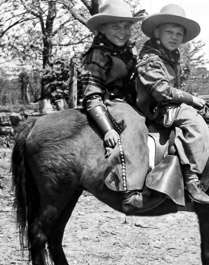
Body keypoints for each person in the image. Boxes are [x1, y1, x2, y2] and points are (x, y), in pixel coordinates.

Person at [135, 4, 209, 204]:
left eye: (179, 34)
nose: (174, 37)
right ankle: (192, 178)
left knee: (207, 115)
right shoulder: (149, 58)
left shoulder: (170, 57)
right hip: (156, 108)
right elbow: (161, 91)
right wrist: (191, 99)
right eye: (169, 32)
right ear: (157, 32)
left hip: (169, 105)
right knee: (195, 123)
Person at [80, 0, 149, 212]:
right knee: (134, 124)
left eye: (127, 27)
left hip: (130, 100)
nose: (123, 32)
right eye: (115, 27)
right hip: (111, 102)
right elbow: (91, 95)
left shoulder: (127, 51)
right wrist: (108, 129)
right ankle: (132, 189)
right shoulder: (98, 54)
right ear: (102, 28)